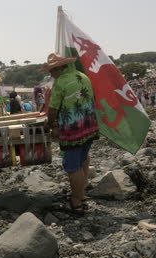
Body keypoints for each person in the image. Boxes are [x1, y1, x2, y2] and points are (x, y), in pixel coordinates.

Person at [40, 53, 99, 215]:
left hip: (73, 130)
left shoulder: (61, 83)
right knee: (83, 158)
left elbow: (52, 111)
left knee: (73, 167)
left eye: (52, 70)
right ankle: (82, 195)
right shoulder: (83, 76)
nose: (51, 74)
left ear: (61, 67)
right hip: (89, 125)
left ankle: (76, 203)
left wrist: (49, 124)